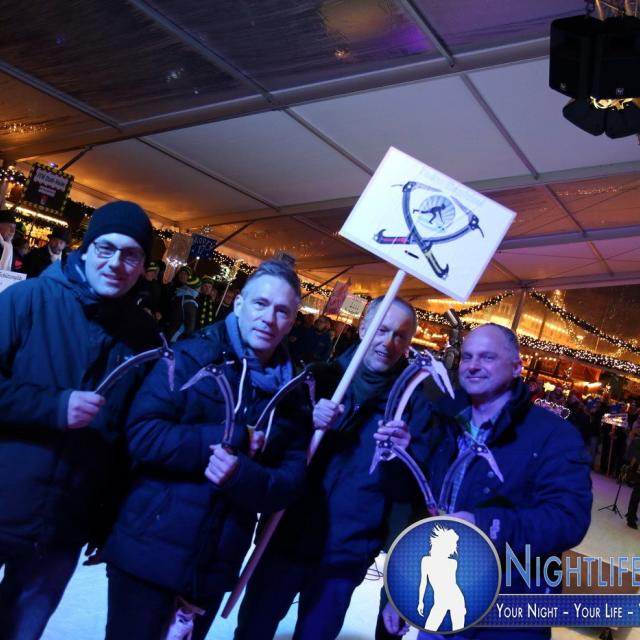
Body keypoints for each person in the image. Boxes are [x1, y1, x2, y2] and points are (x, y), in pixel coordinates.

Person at [102, 260, 311, 640]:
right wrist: (230, 438)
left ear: (293, 321)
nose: (269, 318)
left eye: (282, 311)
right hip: (149, 551)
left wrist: (241, 475)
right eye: (261, 304)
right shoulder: (191, 356)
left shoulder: (291, 394)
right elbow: (143, 434)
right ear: (239, 303)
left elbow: (290, 483)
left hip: (213, 566)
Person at [0, 200, 159, 640]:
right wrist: (53, 406)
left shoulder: (143, 335)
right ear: (85, 250)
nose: (116, 263)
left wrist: (107, 523)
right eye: (106, 248)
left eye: (131, 255)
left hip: (64, 525)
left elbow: (129, 439)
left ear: (143, 267)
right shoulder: (28, 299)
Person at [234, 296, 432, 640]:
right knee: (253, 630)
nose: (388, 342)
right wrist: (306, 422)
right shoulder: (319, 379)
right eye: (382, 329)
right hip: (285, 534)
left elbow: (415, 493)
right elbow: (270, 448)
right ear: (363, 327)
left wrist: (405, 455)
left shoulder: (414, 407)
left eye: (400, 335)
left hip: (346, 552)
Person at [381, 323, 592, 640]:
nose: (473, 365)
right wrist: (406, 591)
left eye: (488, 357)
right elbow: (431, 516)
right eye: (467, 357)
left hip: (505, 614)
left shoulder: (553, 435)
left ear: (517, 366)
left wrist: (485, 525)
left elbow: (568, 519)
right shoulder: (447, 423)